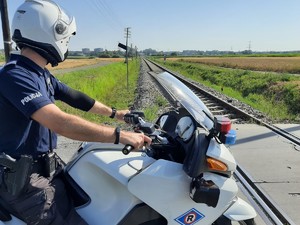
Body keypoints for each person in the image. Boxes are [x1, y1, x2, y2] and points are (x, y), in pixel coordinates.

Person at [0, 0, 151, 224]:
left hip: (45, 167)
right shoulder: (15, 75)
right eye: (67, 37)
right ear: (53, 32)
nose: (67, 43)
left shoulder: (40, 74)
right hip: (24, 183)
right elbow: (60, 122)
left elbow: (76, 98)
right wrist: (120, 136)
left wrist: (116, 113)